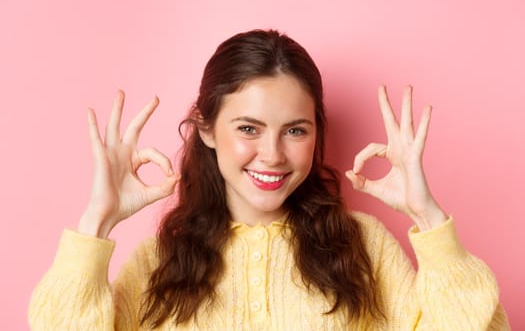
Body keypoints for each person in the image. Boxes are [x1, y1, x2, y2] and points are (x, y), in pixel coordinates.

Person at [28, 29, 509, 330]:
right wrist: (96, 224)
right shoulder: (162, 259)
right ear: (207, 129)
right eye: (248, 129)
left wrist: (427, 217)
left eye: (295, 130)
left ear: (316, 132)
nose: (273, 155)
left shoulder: (364, 245)